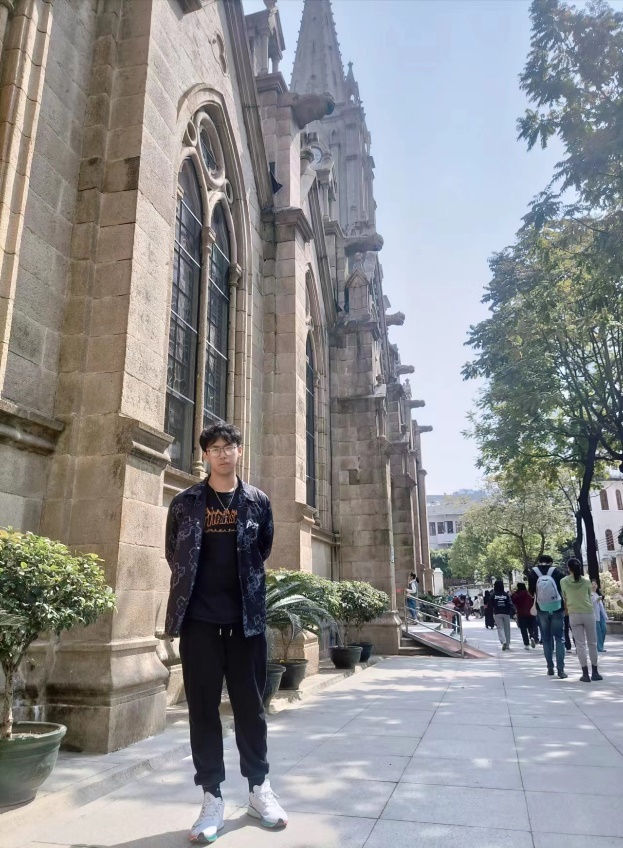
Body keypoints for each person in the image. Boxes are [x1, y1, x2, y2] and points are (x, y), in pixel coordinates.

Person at [164, 422, 288, 842]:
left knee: (251, 709)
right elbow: (175, 553)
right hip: (199, 623)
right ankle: (212, 797)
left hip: (246, 622)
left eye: (228, 446)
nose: (222, 453)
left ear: (239, 451)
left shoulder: (257, 501)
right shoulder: (185, 502)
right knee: (202, 711)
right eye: (214, 447)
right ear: (205, 455)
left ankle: (258, 789)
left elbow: (263, 548)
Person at [561, 558, 603, 683]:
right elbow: (589, 595)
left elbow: (564, 596)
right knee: (592, 643)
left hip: (574, 613)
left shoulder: (563, 581)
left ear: (568, 568)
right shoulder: (586, 581)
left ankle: (585, 673)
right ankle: (595, 672)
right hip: (588, 613)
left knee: (580, 644)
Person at [528, 555, 567, 679]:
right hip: (557, 608)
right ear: (550, 562)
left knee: (546, 638)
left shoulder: (533, 573)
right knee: (559, 638)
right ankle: (560, 669)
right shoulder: (556, 571)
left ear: (539, 562)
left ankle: (550, 667)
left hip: (542, 608)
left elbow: (531, 592)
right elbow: (563, 589)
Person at [511, 582, 538, 650]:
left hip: (521, 614)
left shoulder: (517, 595)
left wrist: (514, 593)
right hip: (530, 613)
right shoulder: (528, 594)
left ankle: (526, 644)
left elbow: (513, 601)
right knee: (530, 627)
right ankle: (532, 637)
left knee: (523, 630)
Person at [491, 579, 514, 650]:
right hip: (506, 613)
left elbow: (491, 604)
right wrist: (512, 612)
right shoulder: (506, 594)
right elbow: (510, 604)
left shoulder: (493, 595)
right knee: (507, 628)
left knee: (500, 627)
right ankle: (507, 644)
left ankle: (503, 641)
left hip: (497, 613)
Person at [591, 580, 608, 652]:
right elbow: (590, 604)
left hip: (601, 614)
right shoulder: (589, 594)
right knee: (598, 632)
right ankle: (599, 647)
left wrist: (605, 615)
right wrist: (596, 600)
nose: (594, 585)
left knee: (604, 629)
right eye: (592, 584)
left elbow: (602, 607)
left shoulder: (597, 594)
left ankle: (601, 645)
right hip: (595, 615)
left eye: (595, 584)